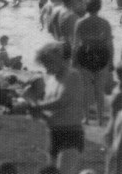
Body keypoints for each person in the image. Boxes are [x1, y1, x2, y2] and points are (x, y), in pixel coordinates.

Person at [26, 41, 87, 174]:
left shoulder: (72, 76)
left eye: (48, 63)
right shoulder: (51, 80)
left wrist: (37, 107)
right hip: (53, 133)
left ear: (59, 59)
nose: (46, 68)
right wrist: (33, 110)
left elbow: (63, 101)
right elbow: (48, 110)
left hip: (70, 134)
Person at [72, 0, 113, 126]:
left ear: (87, 7)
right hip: (101, 54)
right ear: (99, 7)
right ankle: (100, 119)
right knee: (99, 90)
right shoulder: (105, 23)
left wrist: (74, 61)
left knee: (86, 88)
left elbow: (76, 44)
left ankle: (87, 119)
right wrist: (111, 61)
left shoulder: (80, 22)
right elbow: (109, 44)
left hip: (85, 54)